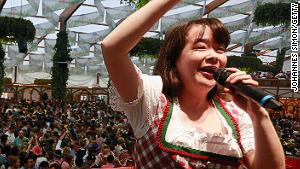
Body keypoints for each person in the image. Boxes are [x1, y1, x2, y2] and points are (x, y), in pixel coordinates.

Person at [101, 0, 285, 168]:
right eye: (200, 47)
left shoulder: (237, 116)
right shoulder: (152, 100)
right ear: (175, 60)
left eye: (220, 49)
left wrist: (259, 115)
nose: (214, 56)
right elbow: (112, 49)